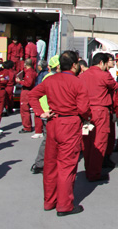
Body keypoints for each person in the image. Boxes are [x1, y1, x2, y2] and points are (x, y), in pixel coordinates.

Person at [28, 50, 90, 217]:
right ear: (75, 65)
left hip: (53, 122)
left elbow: (33, 95)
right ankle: (64, 205)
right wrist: (85, 118)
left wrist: (41, 113)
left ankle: (49, 201)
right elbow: (84, 109)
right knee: (67, 166)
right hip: (70, 123)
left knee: (50, 164)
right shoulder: (78, 82)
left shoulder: (50, 80)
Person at [79, 52, 118, 182]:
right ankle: (94, 172)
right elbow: (115, 86)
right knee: (99, 142)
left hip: (86, 111)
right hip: (101, 111)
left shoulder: (82, 76)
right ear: (102, 63)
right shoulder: (104, 75)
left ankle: (88, 168)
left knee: (87, 141)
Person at [31, 55, 60, 175]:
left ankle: (42, 163)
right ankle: (41, 163)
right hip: (50, 112)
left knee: (49, 139)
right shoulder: (52, 78)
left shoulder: (48, 77)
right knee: (49, 140)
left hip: (47, 111)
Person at [16, 58, 41, 137]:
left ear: (25, 65)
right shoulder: (33, 72)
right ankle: (28, 126)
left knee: (24, 110)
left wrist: (19, 81)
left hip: (26, 91)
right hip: (30, 91)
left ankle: (27, 127)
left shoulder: (29, 73)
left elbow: (28, 83)